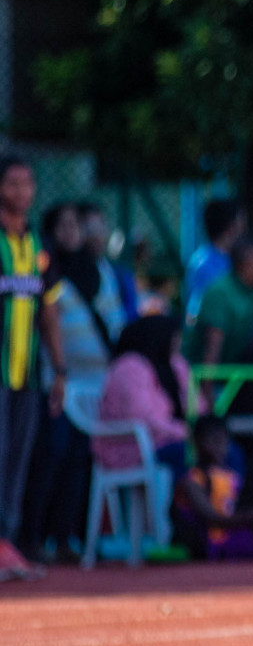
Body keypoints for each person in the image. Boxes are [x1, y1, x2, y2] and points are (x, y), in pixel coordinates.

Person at [21, 203, 128, 562]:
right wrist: (59, 371)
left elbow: (114, 318)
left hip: (98, 383)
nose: (71, 232)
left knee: (82, 461)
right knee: (52, 455)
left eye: (76, 224)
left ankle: (71, 539)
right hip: (60, 382)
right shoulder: (46, 269)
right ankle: (33, 537)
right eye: (63, 225)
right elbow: (44, 322)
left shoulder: (99, 270)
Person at [0, 156, 67, 581]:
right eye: (12, 183)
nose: (22, 192)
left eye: (28, 183)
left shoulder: (37, 246)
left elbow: (49, 311)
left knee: (17, 460)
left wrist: (59, 370)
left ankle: (8, 543)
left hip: (25, 374)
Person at [173, 415, 253, 560]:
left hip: (242, 532)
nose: (220, 445)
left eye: (223, 440)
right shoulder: (192, 481)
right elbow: (212, 518)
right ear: (197, 442)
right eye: (213, 439)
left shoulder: (232, 476)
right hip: (216, 543)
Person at [94, 315, 195, 475]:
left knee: (225, 451)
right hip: (132, 448)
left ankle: (220, 498)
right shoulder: (130, 367)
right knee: (186, 454)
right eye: (175, 337)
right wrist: (186, 433)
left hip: (167, 440)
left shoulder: (173, 365)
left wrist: (202, 431)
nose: (178, 343)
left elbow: (196, 407)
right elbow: (143, 419)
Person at [187, 237, 253, 367]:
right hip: (216, 378)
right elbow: (212, 349)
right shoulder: (220, 292)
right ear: (248, 260)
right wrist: (208, 386)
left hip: (245, 375)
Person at [184, 199, 246, 321]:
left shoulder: (233, 259)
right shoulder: (204, 264)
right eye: (242, 224)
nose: (245, 230)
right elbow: (194, 314)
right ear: (231, 228)